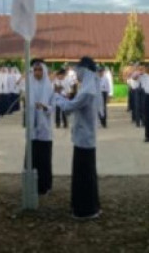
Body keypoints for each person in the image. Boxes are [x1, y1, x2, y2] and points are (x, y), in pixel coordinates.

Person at [54, 56, 102, 220]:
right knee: (87, 174)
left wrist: (56, 98)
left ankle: (85, 209)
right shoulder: (88, 88)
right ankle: (90, 206)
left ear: (85, 71)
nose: (77, 75)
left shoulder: (87, 91)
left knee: (84, 175)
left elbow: (69, 107)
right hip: (85, 137)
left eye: (79, 71)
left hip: (84, 139)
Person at [29, 61, 54, 195]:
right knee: (32, 156)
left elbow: (53, 107)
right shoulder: (30, 86)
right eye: (35, 70)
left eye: (39, 70)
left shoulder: (49, 87)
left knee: (44, 158)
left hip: (44, 127)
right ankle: (31, 184)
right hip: (32, 129)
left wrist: (44, 107)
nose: (37, 73)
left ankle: (44, 185)